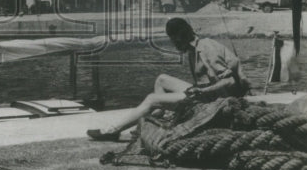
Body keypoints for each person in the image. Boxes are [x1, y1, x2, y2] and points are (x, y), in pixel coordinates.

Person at [86, 17, 242, 142]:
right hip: (206, 93)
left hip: (216, 100)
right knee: (162, 79)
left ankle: (112, 131)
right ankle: (157, 117)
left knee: (152, 99)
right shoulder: (194, 48)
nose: (174, 45)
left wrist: (202, 90)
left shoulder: (207, 49)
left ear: (180, 36)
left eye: (174, 41)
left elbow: (229, 82)